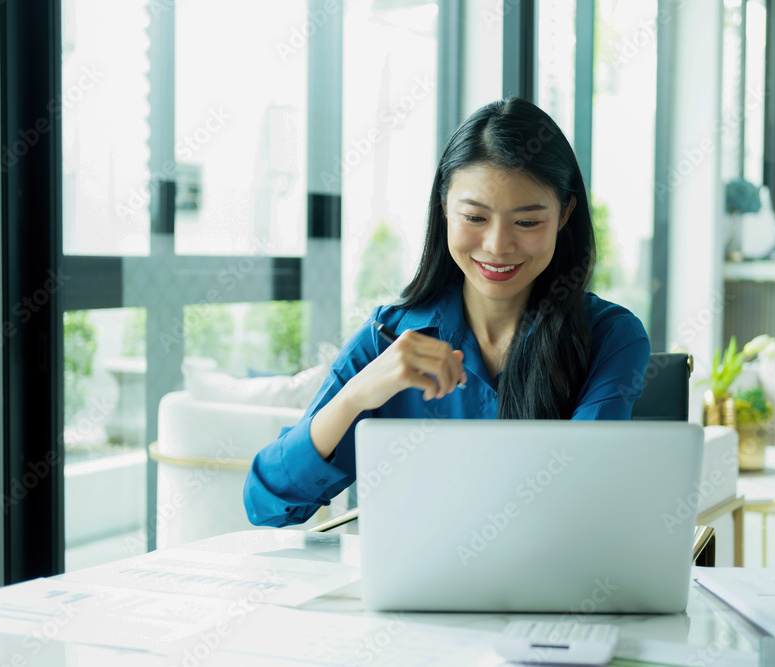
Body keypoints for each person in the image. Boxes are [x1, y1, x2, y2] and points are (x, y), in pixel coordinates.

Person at [244, 97, 650, 528]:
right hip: (411, 593)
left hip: (550, 592)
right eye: (475, 217)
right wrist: (354, 397)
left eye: (527, 223)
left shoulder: (610, 337)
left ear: (565, 214)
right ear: (443, 208)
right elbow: (268, 504)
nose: (497, 245)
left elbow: (583, 502)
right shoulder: (388, 337)